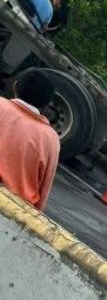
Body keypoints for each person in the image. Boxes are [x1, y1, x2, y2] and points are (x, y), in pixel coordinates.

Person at [0, 67, 60, 210]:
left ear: (15, 87)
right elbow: (44, 188)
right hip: (16, 211)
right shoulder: (50, 139)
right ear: (47, 104)